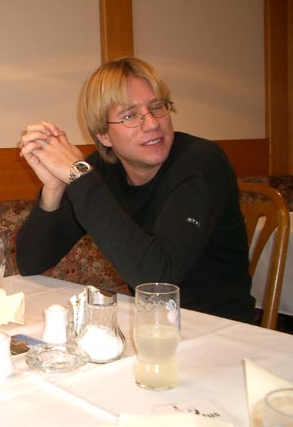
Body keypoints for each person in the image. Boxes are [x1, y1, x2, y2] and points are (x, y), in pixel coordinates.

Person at [17, 57, 255, 323]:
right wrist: (53, 190)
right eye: (130, 115)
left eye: (157, 107)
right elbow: (31, 262)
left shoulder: (200, 163)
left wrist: (80, 177)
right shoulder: (102, 170)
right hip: (151, 327)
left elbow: (157, 280)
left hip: (222, 333)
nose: (152, 123)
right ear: (103, 136)